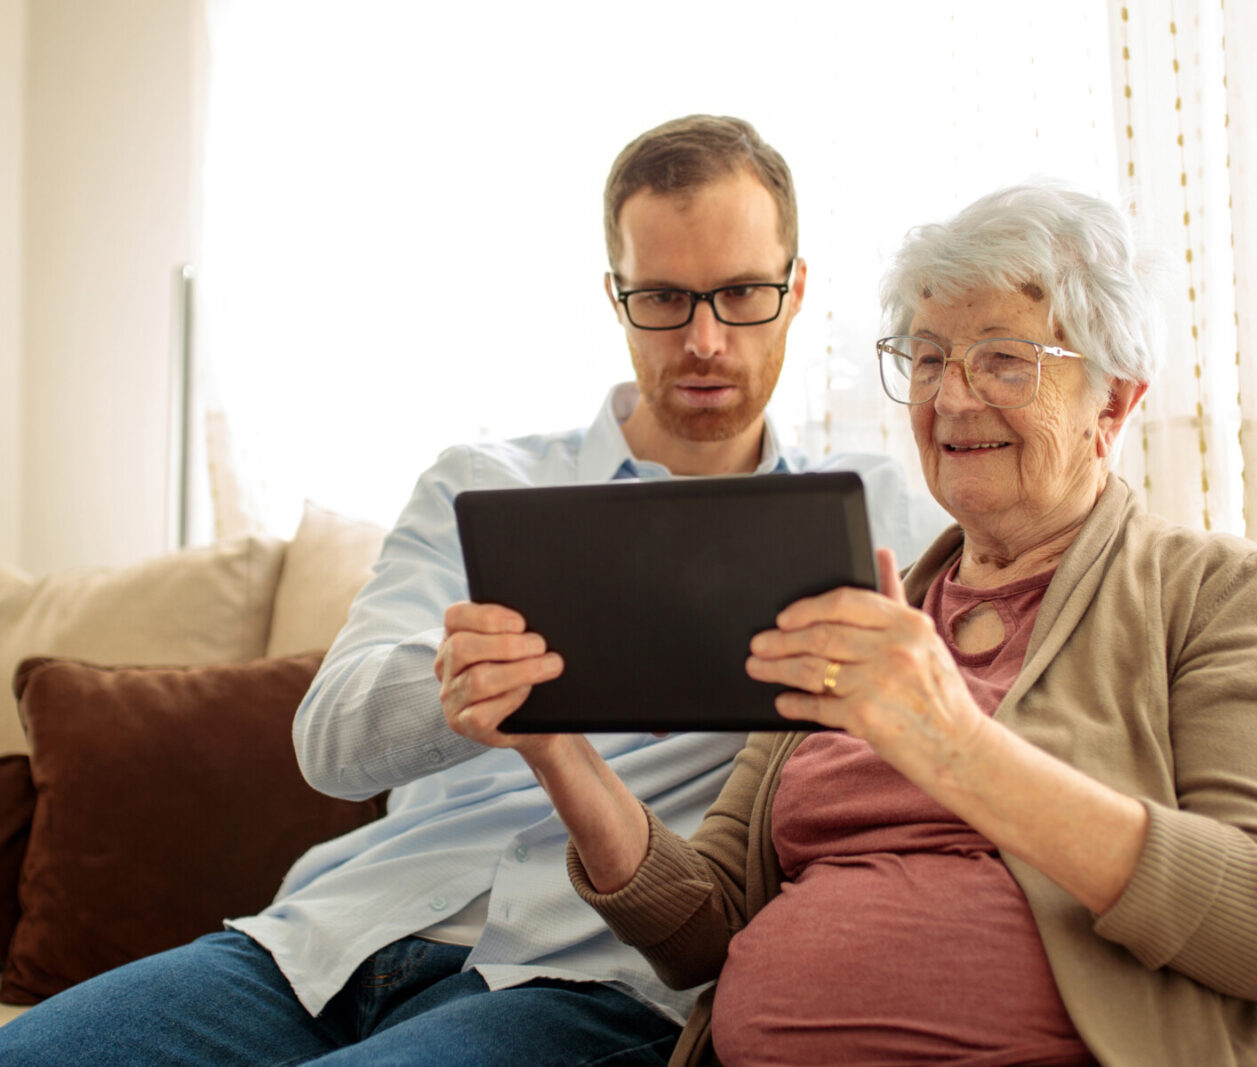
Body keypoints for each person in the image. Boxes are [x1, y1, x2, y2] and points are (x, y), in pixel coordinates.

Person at [0, 115, 943, 1065]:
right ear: (614, 297)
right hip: (336, 939)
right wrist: (457, 685)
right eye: (661, 296)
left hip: (591, 975)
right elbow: (328, 745)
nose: (703, 339)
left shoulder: (875, 516)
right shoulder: (485, 483)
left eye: (741, 293)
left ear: (797, 290)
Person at [456, 181, 1257, 1066]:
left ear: (1115, 401)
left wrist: (955, 745)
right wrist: (555, 746)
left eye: (1006, 358)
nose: (954, 398)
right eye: (929, 359)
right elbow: (701, 928)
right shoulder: (856, 618)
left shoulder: (1219, 594)